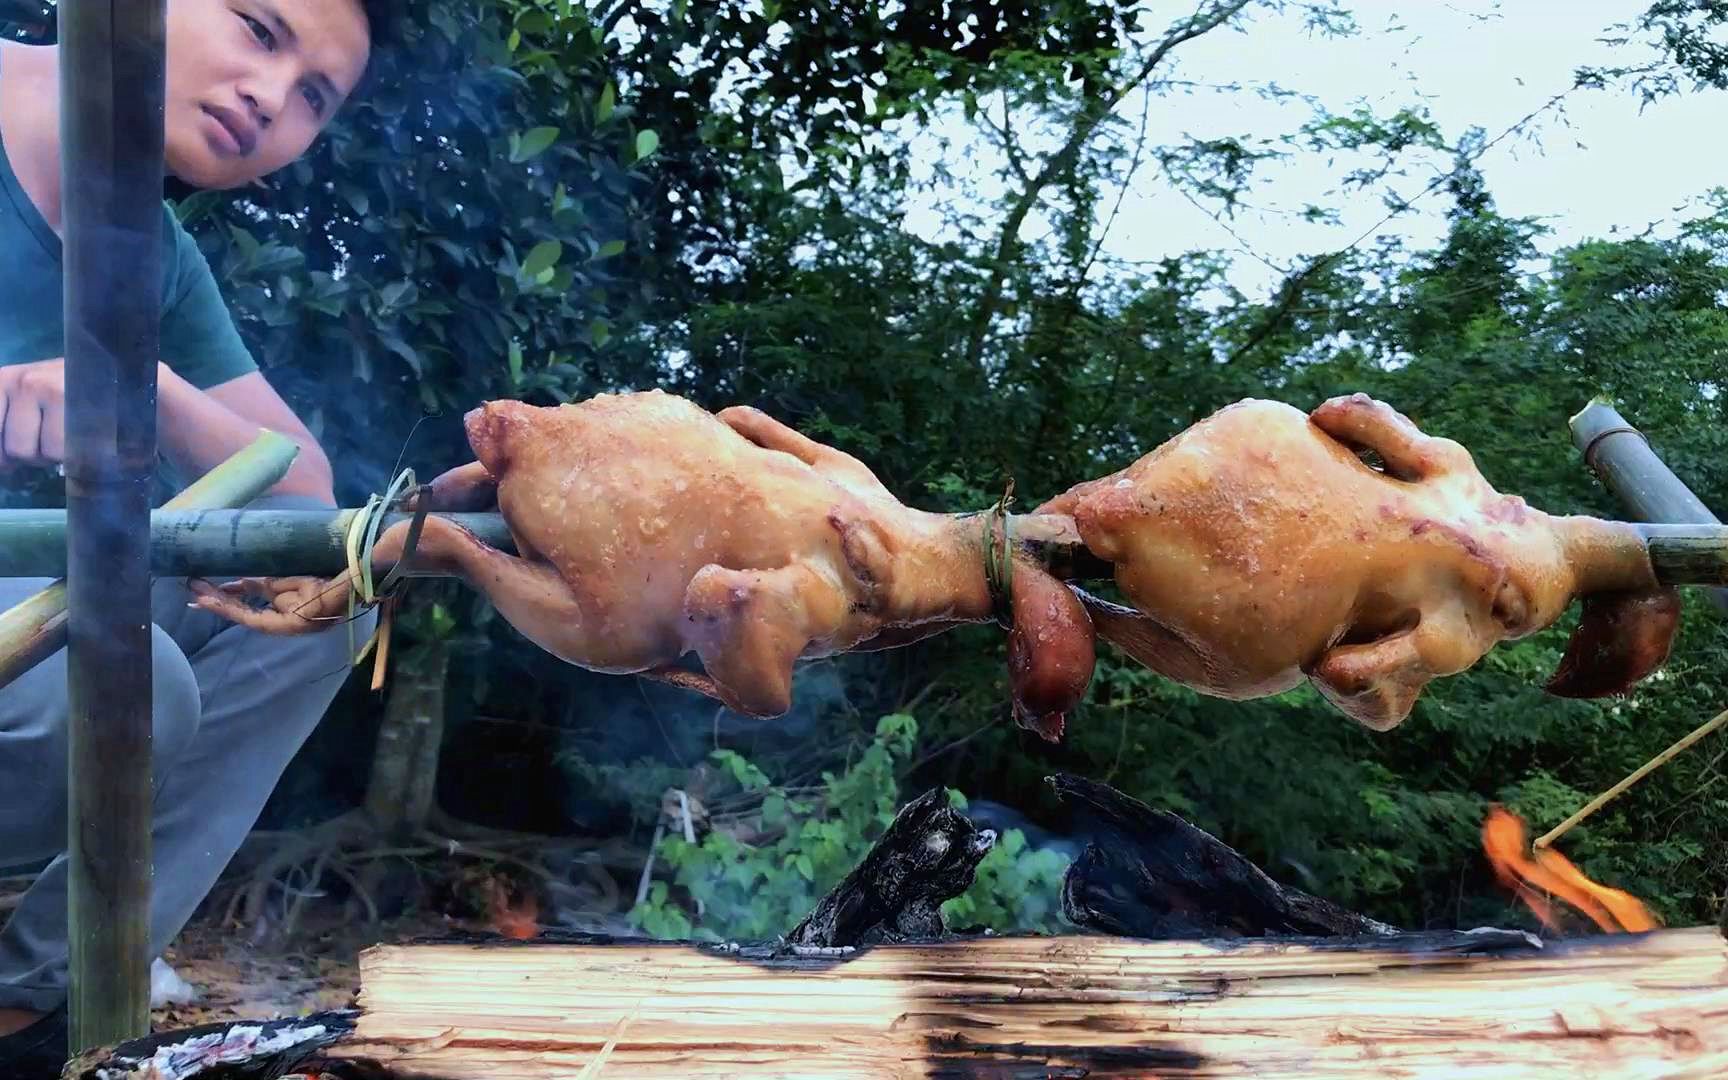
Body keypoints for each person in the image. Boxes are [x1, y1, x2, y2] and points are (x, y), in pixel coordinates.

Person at [0, 1, 388, 1073]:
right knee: (138, 682)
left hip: (34, 627)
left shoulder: (153, 258)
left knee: (324, 582)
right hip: (36, 671)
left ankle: (33, 1008)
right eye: (261, 30)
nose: (272, 97)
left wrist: (149, 381)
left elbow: (305, 489)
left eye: (314, 96)